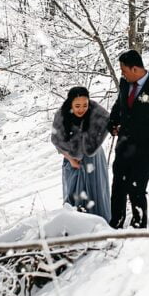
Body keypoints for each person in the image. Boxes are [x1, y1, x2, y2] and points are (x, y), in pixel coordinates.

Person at [107, 50, 149, 228]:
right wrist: (112, 123)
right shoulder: (125, 85)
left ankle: (138, 227)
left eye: (124, 70)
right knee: (118, 188)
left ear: (135, 69)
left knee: (136, 189)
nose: (122, 74)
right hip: (124, 147)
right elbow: (119, 106)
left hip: (146, 148)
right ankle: (115, 224)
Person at [50, 86, 111, 221]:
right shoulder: (61, 116)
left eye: (85, 105)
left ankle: (100, 224)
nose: (81, 109)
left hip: (94, 159)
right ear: (70, 103)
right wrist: (70, 158)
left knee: (95, 193)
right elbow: (57, 141)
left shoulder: (95, 111)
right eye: (77, 106)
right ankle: (76, 225)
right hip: (71, 160)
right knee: (74, 193)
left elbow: (108, 121)